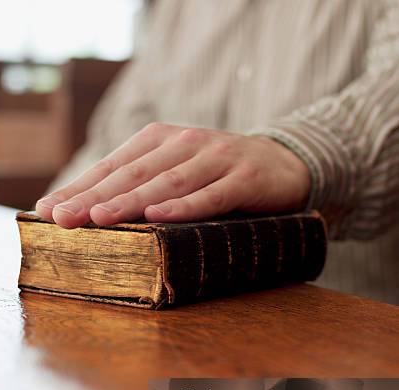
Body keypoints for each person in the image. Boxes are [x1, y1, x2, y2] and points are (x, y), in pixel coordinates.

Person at [36, 0, 399, 304]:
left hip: (350, 332)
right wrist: (44, 233)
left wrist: (295, 156)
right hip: (159, 331)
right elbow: (109, 146)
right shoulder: (174, 9)